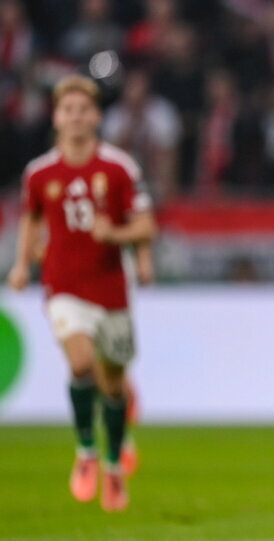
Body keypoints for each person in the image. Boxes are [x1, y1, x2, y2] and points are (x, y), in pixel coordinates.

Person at [7, 74, 157, 511]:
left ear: (96, 116)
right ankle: (86, 452)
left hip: (111, 288)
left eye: (83, 109)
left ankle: (113, 463)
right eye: (67, 109)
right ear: (56, 117)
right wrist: (21, 264)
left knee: (113, 386)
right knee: (81, 362)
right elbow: (32, 219)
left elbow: (145, 224)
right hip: (64, 284)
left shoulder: (119, 168)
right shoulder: (39, 173)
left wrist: (121, 237)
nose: (75, 117)